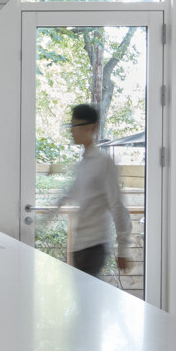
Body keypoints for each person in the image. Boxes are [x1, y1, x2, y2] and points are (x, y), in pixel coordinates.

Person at [54, 103, 132, 279]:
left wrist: (123, 249)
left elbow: (117, 206)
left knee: (87, 301)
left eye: (75, 125)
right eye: (71, 126)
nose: (72, 131)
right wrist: (49, 213)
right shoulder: (84, 163)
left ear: (91, 128)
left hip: (94, 246)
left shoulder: (104, 163)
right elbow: (71, 193)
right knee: (84, 301)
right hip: (80, 245)